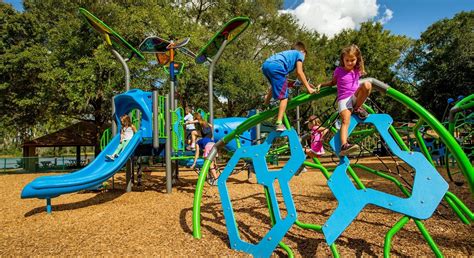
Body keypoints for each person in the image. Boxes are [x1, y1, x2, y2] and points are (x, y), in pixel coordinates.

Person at [317, 44, 372, 156]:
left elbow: (361, 66)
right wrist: (321, 84)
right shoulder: (339, 70)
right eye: (347, 60)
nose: (350, 62)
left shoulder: (357, 70)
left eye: (353, 60)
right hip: (344, 100)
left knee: (367, 85)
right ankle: (344, 146)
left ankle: (357, 108)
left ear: (357, 60)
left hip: (355, 97)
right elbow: (332, 83)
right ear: (343, 59)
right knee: (345, 121)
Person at [262, 42, 317, 131]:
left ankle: (265, 104)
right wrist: (309, 88)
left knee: (274, 85)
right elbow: (299, 72)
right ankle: (279, 123)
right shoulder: (300, 54)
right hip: (277, 67)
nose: (303, 60)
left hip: (266, 65)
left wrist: (306, 83)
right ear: (303, 51)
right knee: (284, 98)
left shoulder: (287, 55)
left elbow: (286, 82)